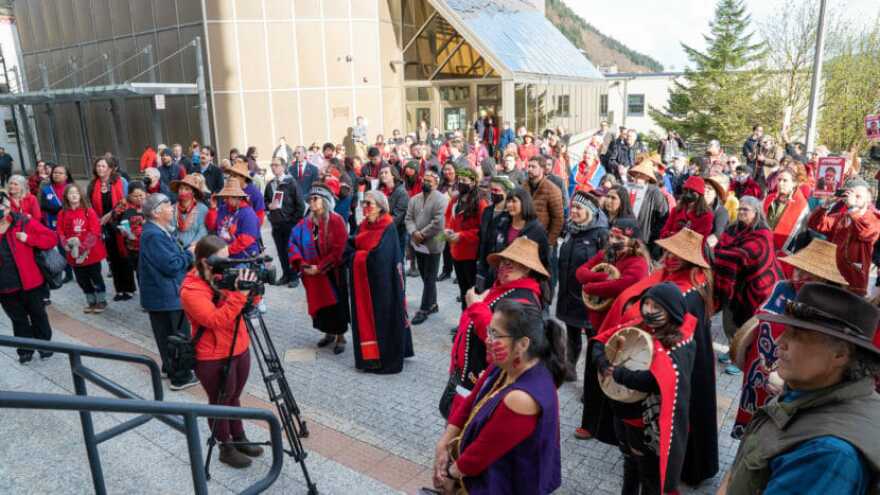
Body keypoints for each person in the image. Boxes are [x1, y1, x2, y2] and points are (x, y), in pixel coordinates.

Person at [724, 283, 880, 495]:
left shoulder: (829, 453)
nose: (780, 341)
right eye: (785, 331)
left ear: (841, 355)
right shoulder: (806, 391)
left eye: (797, 335)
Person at [594, 228, 719, 484]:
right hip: (659, 358)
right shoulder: (677, 279)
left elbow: (672, 336)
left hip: (663, 363)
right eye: (669, 251)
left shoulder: (689, 290)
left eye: (678, 254)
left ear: (692, 260)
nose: (670, 257)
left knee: (662, 434)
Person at [434, 299, 563, 494]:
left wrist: (450, 475)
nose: (487, 339)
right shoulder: (504, 364)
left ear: (523, 344)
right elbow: (470, 403)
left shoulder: (522, 398)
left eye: (495, 334)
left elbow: (481, 453)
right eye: (489, 331)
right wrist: (443, 444)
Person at [729, 239, 847, 439]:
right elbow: (759, 318)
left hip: (792, 381)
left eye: (806, 272)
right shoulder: (781, 288)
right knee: (751, 425)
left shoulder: (829, 307)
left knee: (775, 434)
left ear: (824, 279)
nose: (798, 275)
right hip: (758, 371)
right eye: (797, 269)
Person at [592, 283, 697, 495]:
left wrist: (618, 373)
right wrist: (603, 363)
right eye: (646, 303)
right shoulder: (640, 325)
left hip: (645, 425)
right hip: (624, 414)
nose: (648, 310)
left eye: (656, 306)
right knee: (629, 464)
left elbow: (652, 380)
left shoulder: (680, 344)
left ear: (672, 311)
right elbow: (599, 342)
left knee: (648, 476)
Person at [180, 235, 264, 468]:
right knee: (219, 399)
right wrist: (239, 295)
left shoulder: (223, 277)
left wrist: (253, 290)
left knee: (234, 395)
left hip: (238, 346)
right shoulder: (191, 289)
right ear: (206, 261)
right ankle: (225, 446)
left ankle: (239, 437)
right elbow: (215, 320)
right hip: (212, 355)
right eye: (223, 260)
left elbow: (246, 307)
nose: (228, 264)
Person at [444, 237, 547, 417]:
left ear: (527, 269)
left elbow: (499, 340)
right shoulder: (500, 289)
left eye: (513, 263)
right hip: (468, 377)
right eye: (503, 261)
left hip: (485, 385)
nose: (504, 266)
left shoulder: (524, 300)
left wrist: (475, 306)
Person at [139, 193, 199, 391]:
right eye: (167, 206)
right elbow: (172, 266)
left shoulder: (156, 230)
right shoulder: (153, 235)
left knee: (166, 333)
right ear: (156, 213)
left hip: (163, 294)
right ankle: (180, 377)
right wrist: (189, 254)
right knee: (177, 336)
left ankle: (169, 367)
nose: (172, 208)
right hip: (166, 295)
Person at [350, 190, 413, 374]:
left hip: (384, 284)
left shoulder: (388, 226)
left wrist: (359, 255)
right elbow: (351, 243)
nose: (365, 208)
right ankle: (370, 357)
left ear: (380, 207)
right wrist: (358, 254)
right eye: (364, 204)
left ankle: (385, 359)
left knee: (384, 318)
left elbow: (382, 257)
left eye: (370, 204)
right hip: (365, 283)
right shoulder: (363, 225)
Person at [714, 195, 783, 355]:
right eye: (740, 208)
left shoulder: (763, 233)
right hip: (733, 282)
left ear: (756, 212)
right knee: (729, 323)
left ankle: (744, 355)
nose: (741, 212)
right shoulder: (733, 228)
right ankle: (734, 349)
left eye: (745, 209)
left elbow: (745, 255)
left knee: (747, 323)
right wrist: (718, 252)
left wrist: (718, 254)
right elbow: (722, 245)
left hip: (755, 286)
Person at [289, 184, 349, 354]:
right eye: (310, 199)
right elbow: (293, 241)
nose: (311, 202)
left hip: (333, 272)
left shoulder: (336, 221)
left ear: (324, 201)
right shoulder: (308, 221)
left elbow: (339, 249)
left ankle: (340, 336)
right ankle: (328, 332)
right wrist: (303, 264)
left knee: (336, 305)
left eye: (315, 199)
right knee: (322, 308)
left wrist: (320, 267)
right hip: (314, 273)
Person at [0, 191, 58, 363]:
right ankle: (25, 349)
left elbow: (51, 238)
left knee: (38, 314)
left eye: (3, 205)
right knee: (18, 319)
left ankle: (44, 345)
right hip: (5, 286)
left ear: (8, 206)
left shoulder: (23, 221)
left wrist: (29, 239)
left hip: (31, 282)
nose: (2, 209)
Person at [557, 191, 608, 380]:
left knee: (594, 341)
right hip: (568, 295)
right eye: (573, 207)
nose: (574, 211)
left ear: (590, 211)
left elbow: (607, 268)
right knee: (572, 337)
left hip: (590, 300)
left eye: (579, 208)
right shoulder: (570, 229)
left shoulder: (601, 234)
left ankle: (592, 382)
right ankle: (569, 370)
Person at [807, 177, 880, 295]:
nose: (853, 199)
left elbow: (865, 232)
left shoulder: (874, 218)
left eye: (858, 196)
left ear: (868, 199)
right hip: (831, 273)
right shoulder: (842, 216)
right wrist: (825, 205)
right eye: (851, 195)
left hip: (853, 279)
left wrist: (853, 208)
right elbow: (815, 224)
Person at [87, 157, 134, 300]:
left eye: (103, 166)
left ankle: (129, 289)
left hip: (119, 221)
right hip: (103, 225)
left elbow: (126, 200)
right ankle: (119, 289)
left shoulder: (121, 181)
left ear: (110, 168)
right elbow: (89, 204)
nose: (100, 168)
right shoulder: (93, 184)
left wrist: (111, 214)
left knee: (124, 256)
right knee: (112, 257)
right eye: (98, 166)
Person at [406, 170, 449, 325]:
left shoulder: (441, 199)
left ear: (436, 183)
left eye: (430, 181)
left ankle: (424, 309)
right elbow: (408, 218)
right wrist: (413, 232)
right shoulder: (414, 199)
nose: (426, 183)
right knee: (425, 276)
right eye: (425, 179)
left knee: (430, 277)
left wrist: (421, 234)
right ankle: (433, 304)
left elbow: (439, 222)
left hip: (434, 244)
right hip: (417, 244)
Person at [445, 167, 487, 310]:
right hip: (456, 252)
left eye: (465, 180)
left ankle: (473, 325)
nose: (461, 183)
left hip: (471, 254)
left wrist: (462, 235)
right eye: (460, 180)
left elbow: (482, 230)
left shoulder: (480, 203)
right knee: (463, 291)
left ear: (473, 182)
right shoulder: (455, 200)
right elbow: (448, 218)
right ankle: (464, 323)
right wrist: (446, 232)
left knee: (472, 292)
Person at [264, 157, 304, 288]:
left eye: (276, 165)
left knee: (290, 251)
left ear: (283, 167)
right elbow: (265, 202)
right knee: (281, 251)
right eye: (272, 165)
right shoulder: (270, 184)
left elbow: (300, 205)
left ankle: (294, 276)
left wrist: (293, 222)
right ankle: (285, 274)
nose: (273, 167)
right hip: (276, 224)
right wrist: (269, 207)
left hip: (289, 223)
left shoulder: (291, 183)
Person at [110, 181, 147, 297]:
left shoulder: (150, 202)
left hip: (149, 244)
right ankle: (144, 297)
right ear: (129, 195)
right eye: (135, 196)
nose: (139, 198)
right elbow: (113, 220)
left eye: (141, 195)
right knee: (140, 272)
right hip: (132, 246)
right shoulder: (123, 205)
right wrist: (119, 229)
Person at [763, 168, 810, 260]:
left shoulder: (801, 206)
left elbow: (799, 237)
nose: (780, 184)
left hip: (784, 256)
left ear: (794, 183)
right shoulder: (769, 199)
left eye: (785, 180)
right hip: (764, 246)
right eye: (779, 180)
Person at [208, 181, 262, 259]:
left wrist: (228, 250)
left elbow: (246, 239)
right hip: (223, 252)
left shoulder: (248, 214)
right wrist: (213, 209)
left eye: (227, 197)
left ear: (237, 197)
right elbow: (212, 226)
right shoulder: (223, 209)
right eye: (224, 197)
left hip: (243, 257)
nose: (224, 200)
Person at [40, 163, 75, 283]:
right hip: (56, 224)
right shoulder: (46, 189)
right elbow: (43, 205)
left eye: (60, 173)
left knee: (76, 247)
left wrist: (57, 209)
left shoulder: (72, 188)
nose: (57, 175)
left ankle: (81, 269)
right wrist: (60, 209)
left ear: (66, 175)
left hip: (73, 223)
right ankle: (69, 273)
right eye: (55, 172)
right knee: (62, 248)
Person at [627, 158, 669, 250]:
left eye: (642, 175)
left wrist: (652, 234)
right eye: (637, 174)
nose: (638, 177)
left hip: (644, 238)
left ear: (648, 177)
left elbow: (663, 216)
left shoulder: (654, 192)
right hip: (626, 233)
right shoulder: (629, 188)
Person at [170, 174, 209, 251]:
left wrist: (193, 245)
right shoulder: (172, 208)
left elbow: (203, 230)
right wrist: (175, 244)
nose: (182, 191)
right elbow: (170, 230)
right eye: (181, 188)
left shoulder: (202, 208)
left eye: (187, 189)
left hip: (195, 248)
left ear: (193, 192)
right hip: (175, 248)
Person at [378, 165, 410, 256]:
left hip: (397, 232)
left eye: (386, 173)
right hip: (382, 230)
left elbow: (396, 218)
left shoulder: (402, 193)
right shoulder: (381, 190)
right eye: (381, 173)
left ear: (393, 175)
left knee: (397, 260)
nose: (383, 175)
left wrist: (379, 224)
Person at [224, 158, 266, 225]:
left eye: (234, 176)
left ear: (243, 177)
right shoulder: (229, 190)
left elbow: (260, 218)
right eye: (231, 175)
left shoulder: (255, 193)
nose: (231, 178)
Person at [704, 175, 733, 247]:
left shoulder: (721, 212)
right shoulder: (693, 205)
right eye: (704, 187)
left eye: (710, 189)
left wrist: (700, 247)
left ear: (715, 194)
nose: (705, 190)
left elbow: (717, 235)